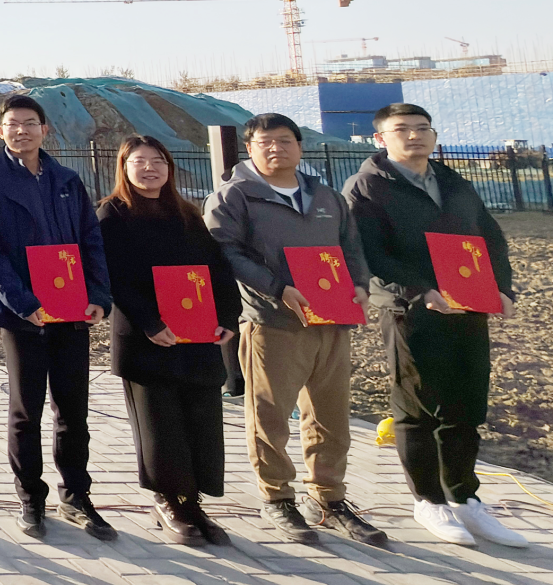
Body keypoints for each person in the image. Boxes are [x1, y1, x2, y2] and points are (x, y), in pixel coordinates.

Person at [343, 103, 526, 548]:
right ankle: (428, 500)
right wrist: (420, 290)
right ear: (380, 138)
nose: (415, 136)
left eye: (423, 128)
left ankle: (464, 497)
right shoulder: (367, 186)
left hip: (468, 305)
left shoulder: (451, 180)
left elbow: (490, 237)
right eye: (402, 129)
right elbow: (371, 252)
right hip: (410, 310)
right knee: (417, 406)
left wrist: (502, 288)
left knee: (466, 403)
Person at [205, 112, 387, 546]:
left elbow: (350, 247)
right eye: (265, 142)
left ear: (299, 146)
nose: (276, 148)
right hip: (273, 323)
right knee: (269, 417)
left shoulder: (325, 196)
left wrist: (360, 285)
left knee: (330, 416)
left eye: (285, 140)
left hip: (331, 322)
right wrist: (277, 289)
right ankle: (277, 497)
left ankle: (329, 498)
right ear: (250, 148)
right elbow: (224, 251)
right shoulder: (234, 197)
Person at [0, 94, 115, 541]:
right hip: (24, 315)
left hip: (71, 311)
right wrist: (23, 302)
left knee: (72, 408)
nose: (22, 131)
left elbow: (90, 239)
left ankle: (76, 495)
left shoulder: (67, 179)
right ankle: (30, 496)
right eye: (13, 124)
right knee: (26, 410)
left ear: (44, 130)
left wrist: (98, 295)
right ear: (1, 132)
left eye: (30, 123)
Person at [97, 137, 242, 546]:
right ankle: (169, 502)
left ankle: (194, 504)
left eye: (158, 161)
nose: (150, 168)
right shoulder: (112, 214)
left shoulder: (187, 213)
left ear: (169, 168)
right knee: (160, 426)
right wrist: (149, 322)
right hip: (148, 339)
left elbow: (217, 269)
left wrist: (227, 317)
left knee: (201, 421)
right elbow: (114, 276)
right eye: (139, 161)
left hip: (197, 335)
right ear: (124, 167)